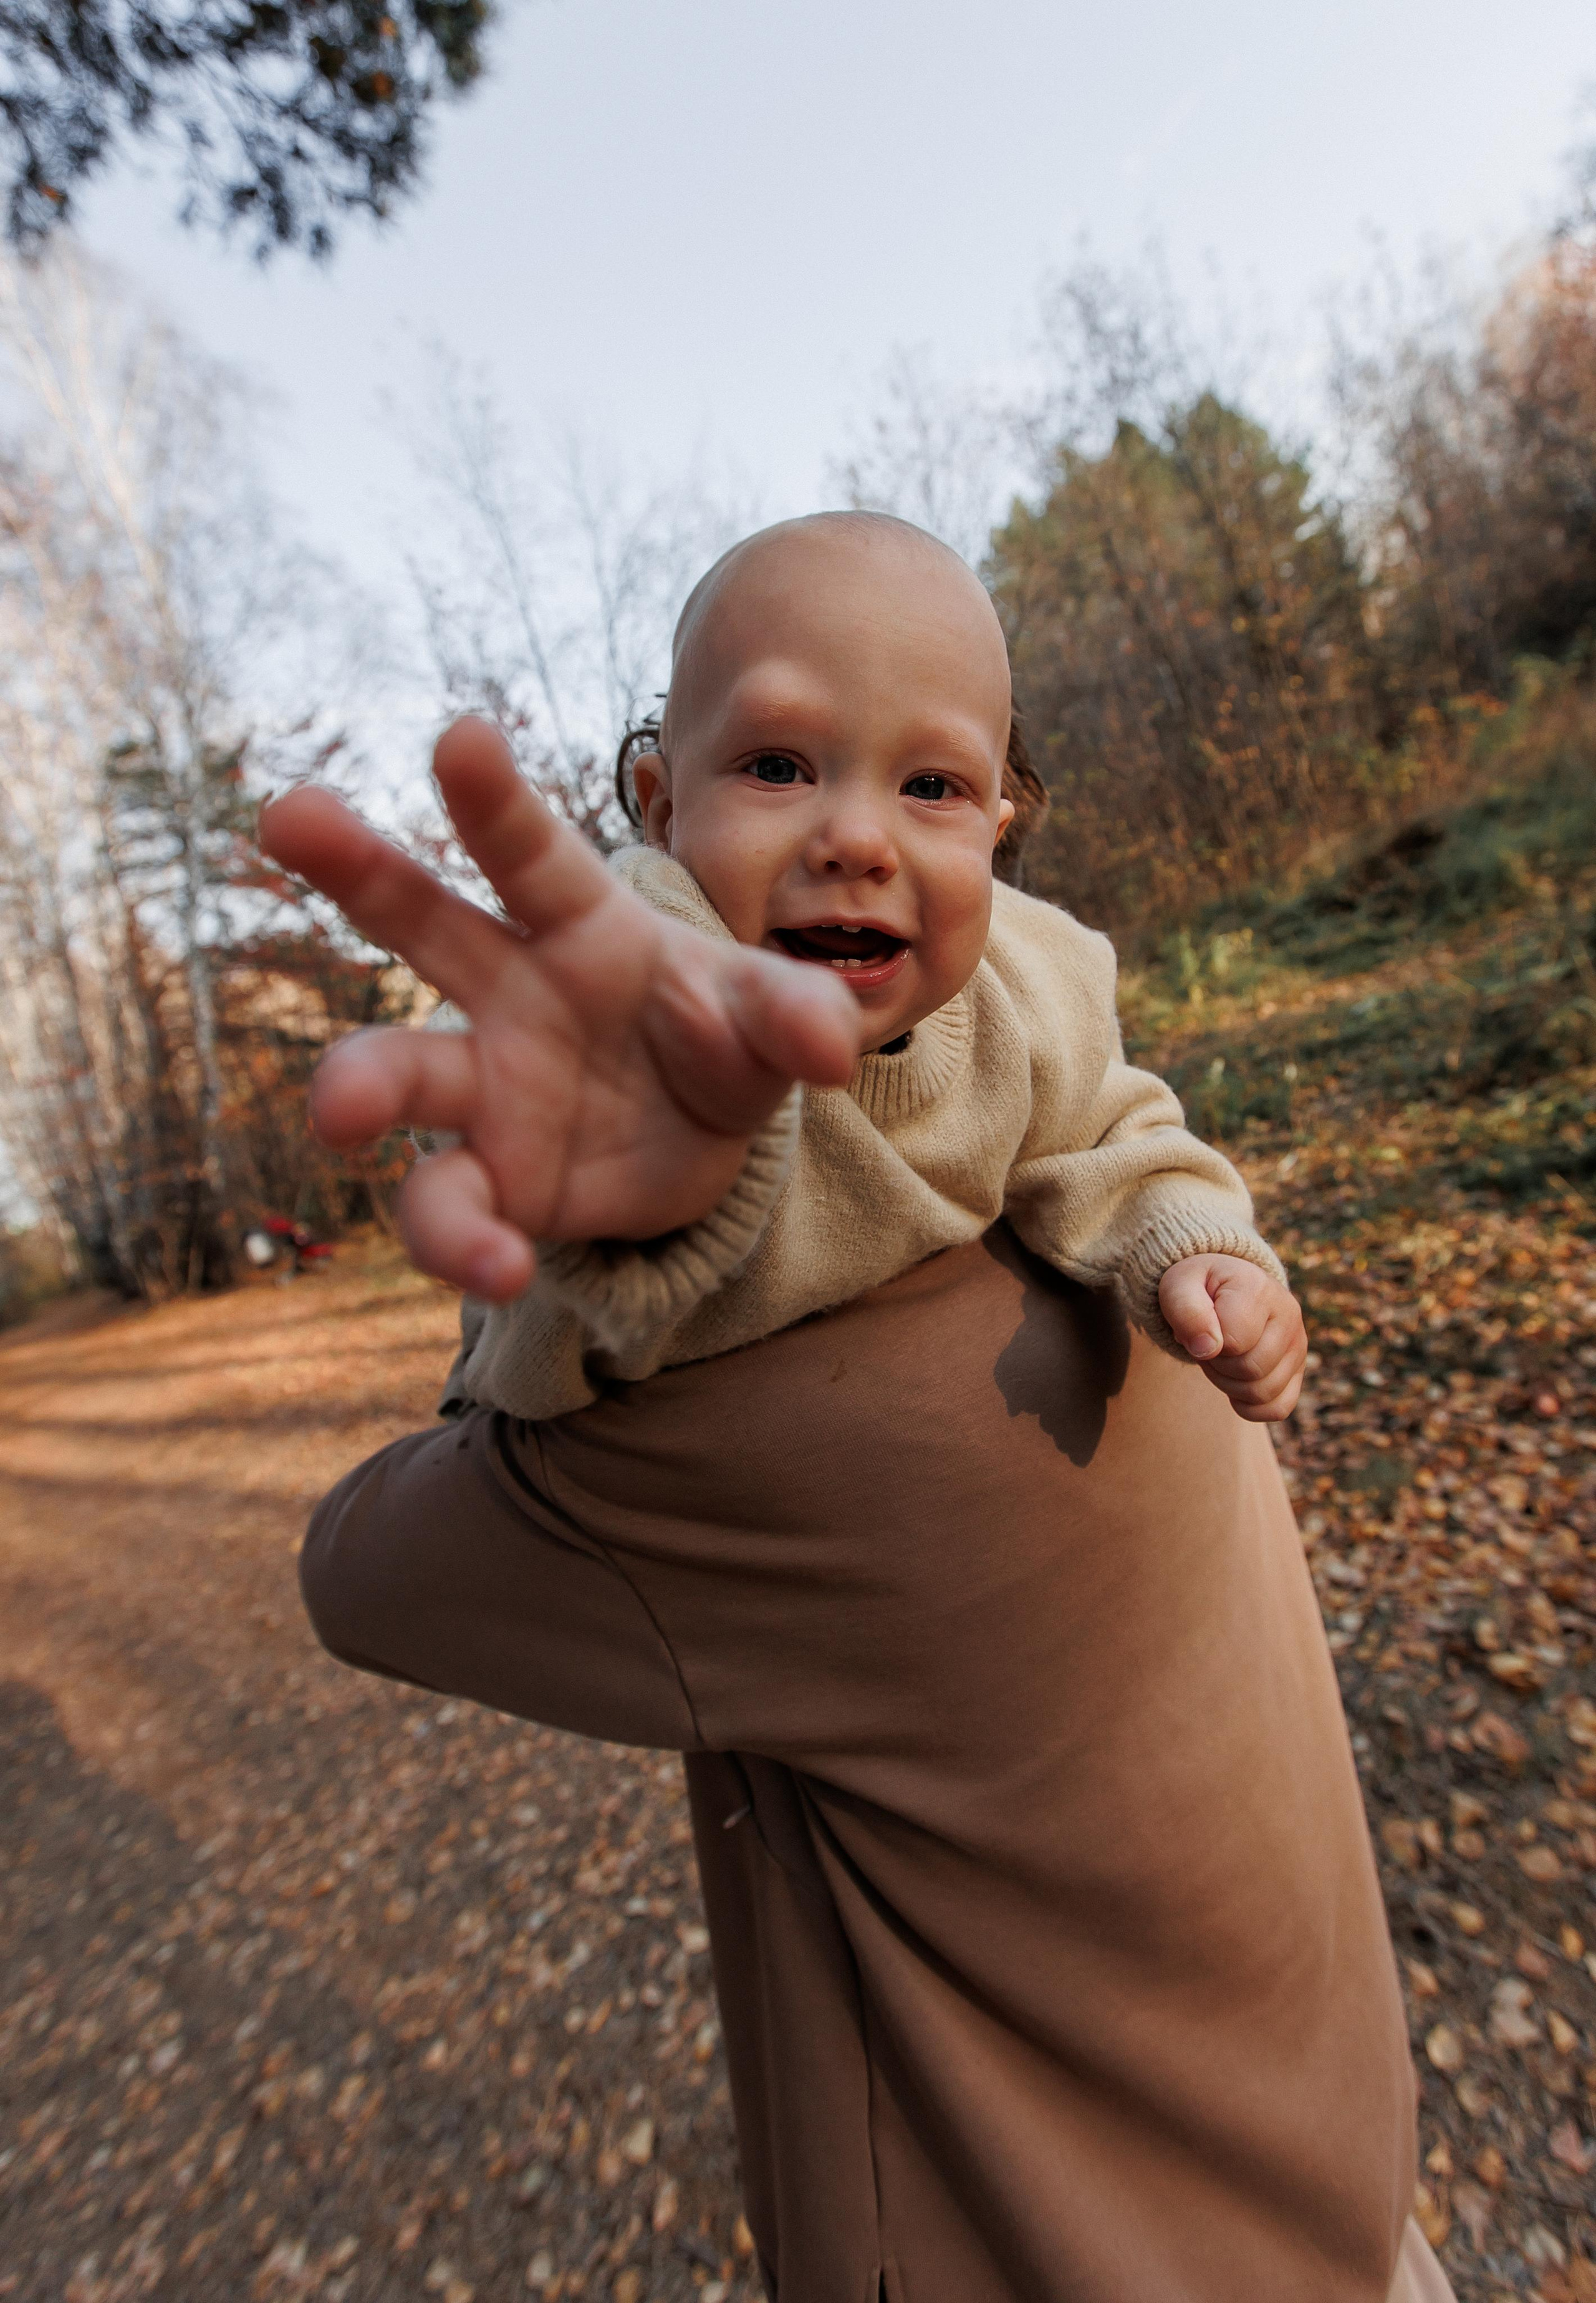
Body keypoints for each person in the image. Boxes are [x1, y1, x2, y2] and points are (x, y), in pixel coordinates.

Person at [260, 513, 1453, 2303]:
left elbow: (1118, 1136)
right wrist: (620, 1195)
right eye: (777, 762)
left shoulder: (1037, 986)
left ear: (1006, 820)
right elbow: (557, 1130)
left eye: (934, 787)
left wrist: (1203, 1259)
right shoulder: (647, 975)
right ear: (659, 804)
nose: (853, 835)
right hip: (1328, 2189)